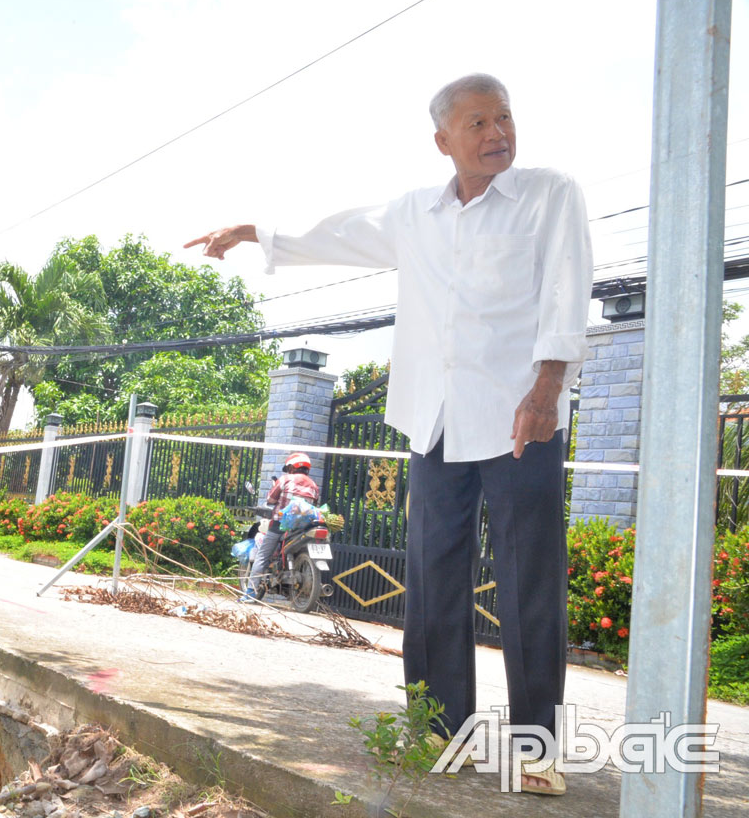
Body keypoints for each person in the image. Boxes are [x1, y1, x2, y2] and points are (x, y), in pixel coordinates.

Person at [185, 74, 591, 796]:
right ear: (444, 141)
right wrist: (254, 232)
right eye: (478, 123)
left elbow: (567, 287)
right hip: (433, 419)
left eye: (504, 118)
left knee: (530, 578)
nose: (497, 132)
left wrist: (547, 388)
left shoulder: (550, 195)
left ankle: (536, 749)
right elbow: (337, 231)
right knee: (434, 575)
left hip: (519, 416)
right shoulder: (416, 213)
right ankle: (441, 729)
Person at [243, 452, 320, 603]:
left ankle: (250, 592)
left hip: (280, 526)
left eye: (288, 468)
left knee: (262, 556)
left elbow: (271, 499)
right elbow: (313, 506)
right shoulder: (314, 486)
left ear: (292, 467)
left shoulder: (284, 480)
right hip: (303, 529)